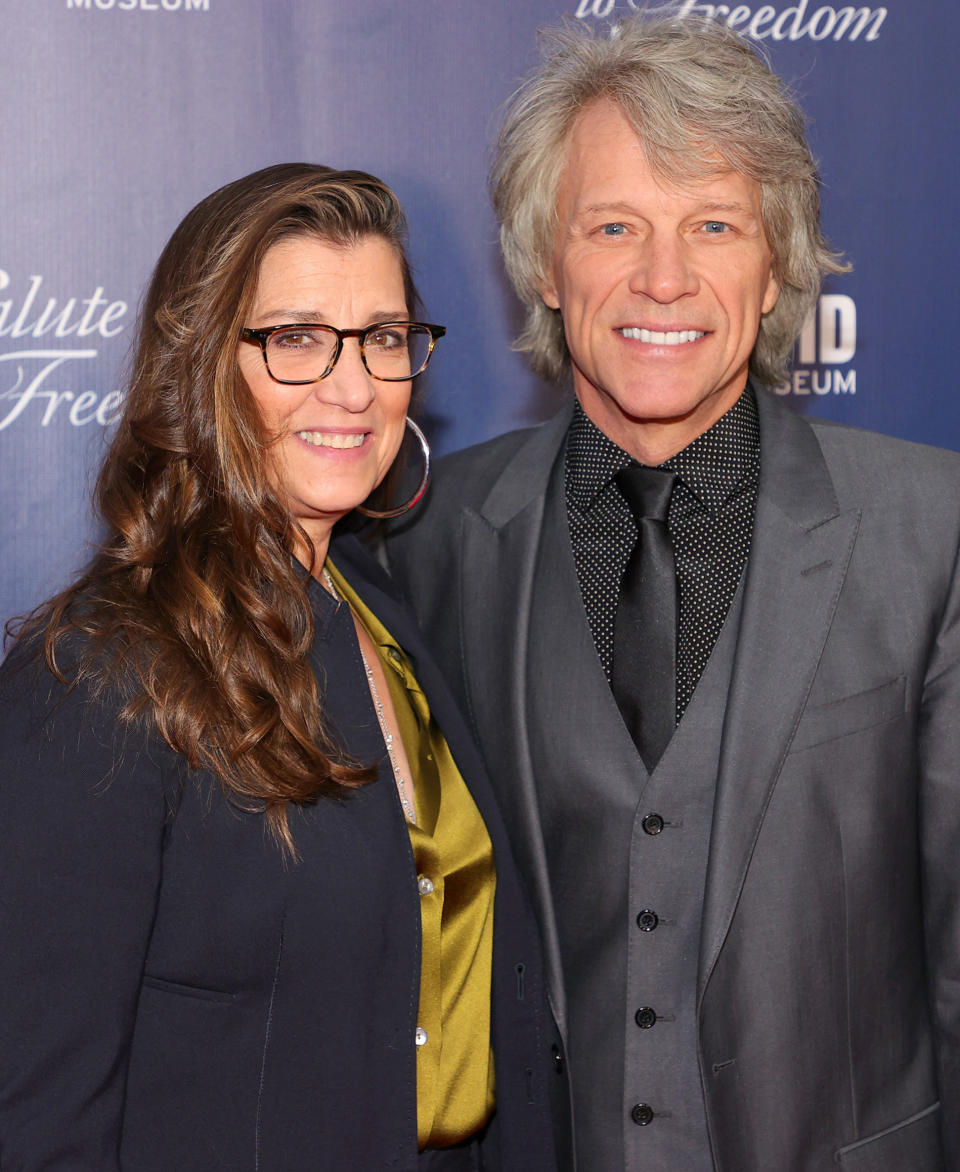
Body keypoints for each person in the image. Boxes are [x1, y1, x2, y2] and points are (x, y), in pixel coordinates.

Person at [386, 17, 960, 1172]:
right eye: (614, 226)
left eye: (714, 225)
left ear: (778, 260)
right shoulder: (429, 542)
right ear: (546, 261)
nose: (664, 277)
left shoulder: (932, 532)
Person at [0, 163, 564, 1171]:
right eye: (297, 338)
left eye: (384, 338)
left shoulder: (381, 617)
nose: (353, 386)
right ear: (206, 364)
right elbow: (38, 1111)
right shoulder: (96, 675)